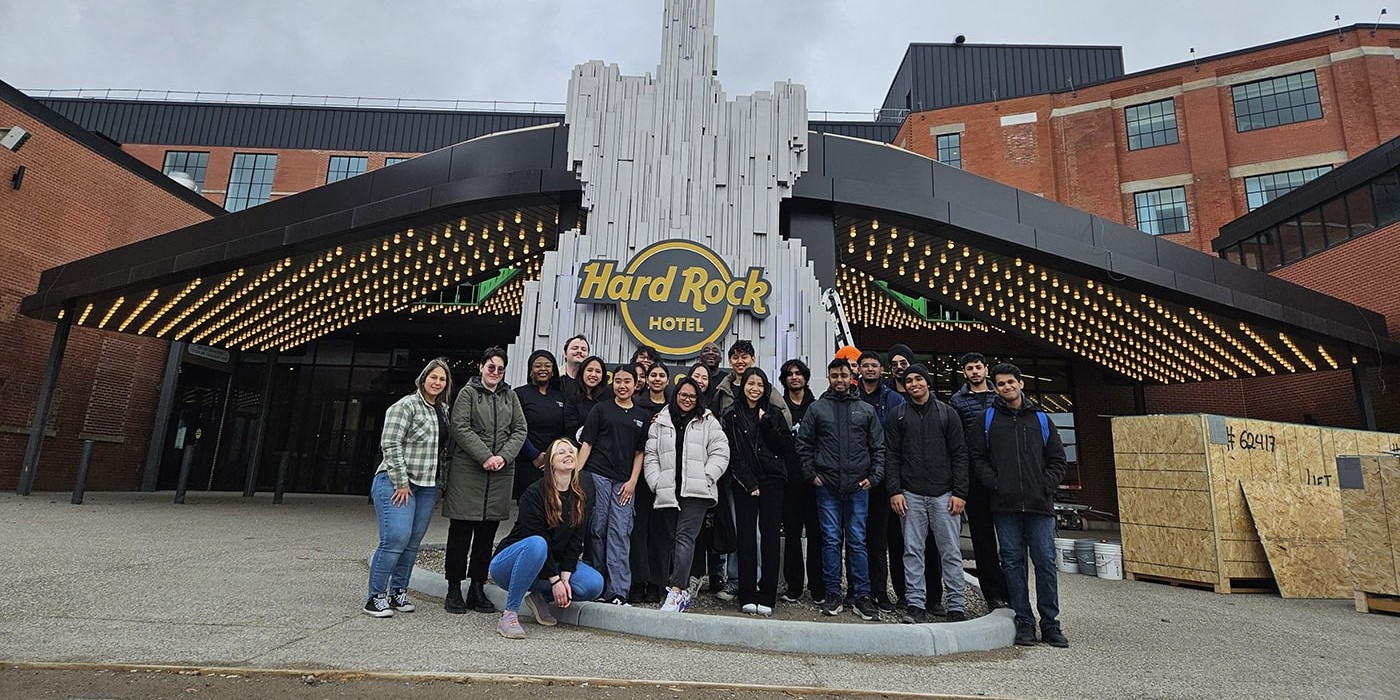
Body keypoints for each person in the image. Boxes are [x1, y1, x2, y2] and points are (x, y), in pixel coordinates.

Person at [971, 363, 1070, 648]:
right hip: (1005, 506)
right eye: (1001, 384)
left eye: (1011, 382)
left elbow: (1057, 459)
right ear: (995, 387)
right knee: (1013, 564)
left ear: (1020, 384)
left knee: (1045, 563)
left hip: (1039, 506)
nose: (1007, 387)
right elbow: (978, 458)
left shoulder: (1040, 418)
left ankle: (1051, 623)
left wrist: (1045, 486)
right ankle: (1024, 620)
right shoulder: (986, 420)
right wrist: (995, 483)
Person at [488, 438, 605, 638]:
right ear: (550, 462)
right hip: (509, 564)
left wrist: (565, 578)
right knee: (537, 543)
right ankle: (509, 615)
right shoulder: (534, 493)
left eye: (571, 451)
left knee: (594, 584)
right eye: (560, 452)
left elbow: (576, 541)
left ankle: (540, 597)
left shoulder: (580, 495)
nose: (568, 455)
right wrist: (555, 579)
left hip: (552, 566)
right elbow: (535, 537)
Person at [796, 359, 885, 621]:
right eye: (834, 375)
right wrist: (811, 475)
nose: (839, 380)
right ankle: (833, 592)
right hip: (828, 486)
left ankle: (861, 596)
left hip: (859, 486)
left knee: (857, 541)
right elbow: (804, 444)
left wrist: (874, 477)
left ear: (851, 376)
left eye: (843, 375)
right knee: (831, 541)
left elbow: (878, 447)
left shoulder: (865, 410)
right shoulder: (817, 409)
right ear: (829, 377)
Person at [364, 358, 453, 617]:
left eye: (442, 379)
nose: (437, 382)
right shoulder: (405, 406)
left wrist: (440, 484)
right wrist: (401, 482)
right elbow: (390, 444)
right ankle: (375, 596)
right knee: (396, 538)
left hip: (427, 484)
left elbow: (441, 451)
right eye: (433, 377)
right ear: (423, 378)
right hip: (397, 483)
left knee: (413, 542)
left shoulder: (443, 410)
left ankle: (398, 592)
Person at [443, 347, 528, 614]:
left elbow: (520, 429)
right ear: (481, 367)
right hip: (469, 472)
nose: (495, 373)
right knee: (460, 533)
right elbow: (460, 427)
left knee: (486, 534)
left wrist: (503, 457)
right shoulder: (468, 394)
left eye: (500, 369)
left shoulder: (510, 396)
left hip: (500, 475)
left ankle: (477, 587)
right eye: (491, 367)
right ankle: (454, 588)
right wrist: (484, 456)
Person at [885, 363, 970, 624]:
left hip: (945, 495)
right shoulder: (897, 415)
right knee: (912, 551)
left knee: (951, 552)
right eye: (909, 380)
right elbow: (892, 456)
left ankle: (956, 605)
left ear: (927, 383)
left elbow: (960, 454)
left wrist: (960, 492)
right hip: (910, 494)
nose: (913, 384)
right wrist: (895, 490)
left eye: (918, 379)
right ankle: (915, 604)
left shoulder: (947, 414)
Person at [643, 376, 730, 613]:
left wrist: (707, 476)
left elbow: (721, 452)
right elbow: (651, 454)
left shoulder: (708, 420)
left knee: (684, 538)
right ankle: (675, 586)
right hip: (668, 490)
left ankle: (678, 592)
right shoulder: (661, 420)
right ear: (676, 395)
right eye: (683, 395)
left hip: (696, 492)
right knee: (673, 538)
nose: (687, 399)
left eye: (692, 396)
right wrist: (655, 481)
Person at [722, 367, 794, 616]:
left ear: (766, 388)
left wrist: (766, 425)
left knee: (771, 537)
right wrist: (749, 482)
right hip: (745, 482)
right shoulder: (731, 414)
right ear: (743, 387)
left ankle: (767, 596)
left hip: (773, 480)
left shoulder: (774, 413)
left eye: (760, 384)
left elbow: (786, 446)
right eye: (750, 383)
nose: (755, 388)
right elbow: (731, 452)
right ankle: (747, 593)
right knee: (746, 538)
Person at [577, 364, 650, 605]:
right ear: (613, 383)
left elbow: (640, 452)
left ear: (635, 383)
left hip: (624, 482)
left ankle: (618, 591)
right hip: (597, 475)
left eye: (627, 381)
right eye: (618, 381)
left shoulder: (642, 416)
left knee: (620, 532)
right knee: (597, 529)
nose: (622, 385)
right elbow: (586, 444)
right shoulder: (601, 409)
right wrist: (575, 474)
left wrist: (632, 481)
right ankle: (596, 586)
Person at [948, 352, 1010, 610]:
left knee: (1010, 540)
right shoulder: (957, 401)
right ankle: (992, 593)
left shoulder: (1002, 396)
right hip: (974, 477)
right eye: (969, 368)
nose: (974, 372)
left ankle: (1013, 590)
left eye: (978, 367)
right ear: (964, 373)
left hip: (1005, 475)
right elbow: (958, 442)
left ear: (986, 369)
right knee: (983, 539)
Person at [855, 350, 906, 613]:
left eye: (874, 366)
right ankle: (857, 590)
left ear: (881, 370)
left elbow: (898, 440)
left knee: (879, 539)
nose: (870, 370)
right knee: (855, 537)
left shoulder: (894, 399)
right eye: (865, 366)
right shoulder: (851, 397)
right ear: (859, 370)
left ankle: (880, 591)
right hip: (855, 477)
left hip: (883, 478)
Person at [778, 358, 824, 605]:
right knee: (793, 535)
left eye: (798, 373)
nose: (794, 377)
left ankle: (818, 587)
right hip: (788, 481)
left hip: (814, 481)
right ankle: (794, 586)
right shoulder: (779, 407)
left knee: (817, 535)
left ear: (805, 377)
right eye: (789, 374)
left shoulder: (817, 407)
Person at [630, 361, 671, 602]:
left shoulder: (673, 408)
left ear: (667, 380)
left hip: (665, 479)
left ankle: (657, 583)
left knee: (661, 534)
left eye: (661, 375)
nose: (656, 379)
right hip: (640, 478)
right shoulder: (636, 405)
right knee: (638, 532)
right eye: (652, 375)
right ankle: (638, 582)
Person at [514, 349, 566, 499]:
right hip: (528, 462)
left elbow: (566, 429)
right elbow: (516, 428)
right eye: (538, 365)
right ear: (531, 371)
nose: (543, 369)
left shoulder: (561, 397)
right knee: (529, 509)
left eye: (547, 365)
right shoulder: (519, 394)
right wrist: (534, 455)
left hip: (555, 463)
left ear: (553, 370)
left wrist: (553, 456)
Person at [563, 355, 609, 440]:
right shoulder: (572, 401)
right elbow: (571, 430)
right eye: (589, 370)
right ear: (582, 372)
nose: (593, 374)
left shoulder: (609, 399)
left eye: (598, 371)